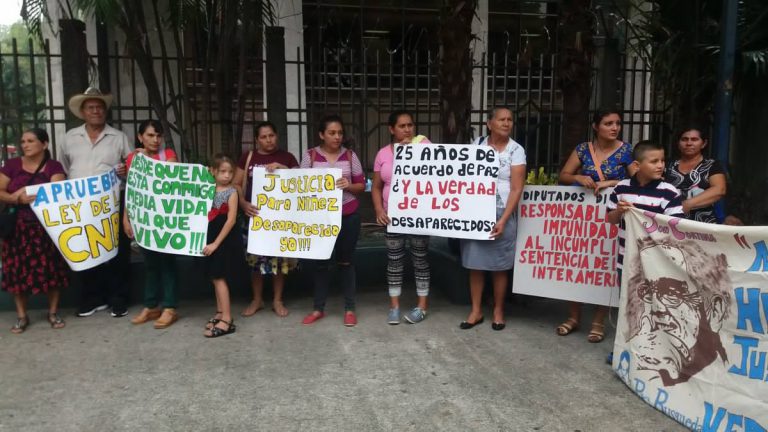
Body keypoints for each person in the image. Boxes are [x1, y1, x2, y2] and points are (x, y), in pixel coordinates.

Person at [556, 108, 635, 343]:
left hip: (613, 216)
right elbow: (564, 175)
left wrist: (611, 182)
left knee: (605, 266)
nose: (614, 128)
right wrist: (578, 177)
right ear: (596, 126)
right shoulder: (583, 149)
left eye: (617, 123)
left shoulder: (627, 151)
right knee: (579, 263)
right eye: (608, 123)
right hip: (584, 219)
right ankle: (573, 316)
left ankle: (599, 320)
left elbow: (637, 180)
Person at [605, 141, 685, 365]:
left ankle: (656, 353)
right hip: (626, 260)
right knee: (629, 306)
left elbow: (676, 228)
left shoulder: (669, 192)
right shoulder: (621, 188)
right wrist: (619, 211)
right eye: (654, 161)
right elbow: (610, 219)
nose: (661, 165)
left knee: (657, 308)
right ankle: (624, 349)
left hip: (657, 264)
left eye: (662, 160)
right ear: (637, 165)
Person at [58, 87, 134, 318]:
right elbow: (64, 168)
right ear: (82, 112)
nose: (96, 111)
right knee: (86, 250)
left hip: (112, 202)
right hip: (80, 203)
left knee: (117, 252)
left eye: (100, 107)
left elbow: (132, 167)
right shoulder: (69, 138)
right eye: (91, 107)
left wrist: (125, 171)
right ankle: (92, 298)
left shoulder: (118, 137)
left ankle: (118, 299)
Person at [623, 239, 731, 386]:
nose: (657, 308)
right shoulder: (643, 356)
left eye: (671, 293)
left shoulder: (723, 381)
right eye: (648, 292)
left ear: (715, 311)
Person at [459, 107, 526, 331]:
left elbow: (516, 188)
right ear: (489, 124)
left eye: (510, 120)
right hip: (476, 212)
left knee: (500, 265)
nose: (506, 123)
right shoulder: (476, 146)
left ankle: (498, 311)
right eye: (501, 119)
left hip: (502, 212)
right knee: (475, 264)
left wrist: (503, 219)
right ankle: (476, 310)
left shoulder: (516, 150)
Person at [0, 128, 69, 333]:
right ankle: (22, 316)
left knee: (52, 270)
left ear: (44, 144)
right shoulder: (12, 165)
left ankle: (53, 312)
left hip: (47, 228)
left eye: (30, 141)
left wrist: (30, 192)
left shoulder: (54, 166)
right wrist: (16, 198)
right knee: (17, 272)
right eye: (23, 141)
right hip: (17, 229)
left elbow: (57, 191)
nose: (25, 145)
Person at [300, 115, 365, 327]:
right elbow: (299, 185)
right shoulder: (309, 156)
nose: (337, 137)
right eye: (332, 133)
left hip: (348, 215)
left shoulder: (350, 156)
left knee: (346, 262)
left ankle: (350, 309)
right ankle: (318, 308)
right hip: (320, 217)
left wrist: (348, 185)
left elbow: (361, 185)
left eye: (340, 133)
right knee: (321, 263)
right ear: (321, 135)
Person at [372, 110, 432, 325]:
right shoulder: (382, 154)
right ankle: (394, 306)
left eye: (410, 125)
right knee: (394, 261)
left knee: (420, 259)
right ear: (392, 129)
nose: (407, 129)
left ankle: (422, 306)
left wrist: (412, 153)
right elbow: (376, 187)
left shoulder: (424, 146)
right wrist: (379, 210)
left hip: (418, 216)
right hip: (392, 218)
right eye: (402, 126)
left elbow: (436, 175)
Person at [234, 121, 299, 318]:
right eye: (263, 137)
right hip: (255, 218)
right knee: (255, 260)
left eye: (271, 135)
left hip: (280, 219)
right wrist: (243, 203)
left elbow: (301, 181)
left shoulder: (287, 157)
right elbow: (236, 184)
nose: (268, 140)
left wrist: (283, 168)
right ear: (257, 139)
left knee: (279, 260)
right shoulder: (248, 157)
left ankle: (277, 300)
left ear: (276, 136)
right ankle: (257, 299)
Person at [123, 120, 180, 329]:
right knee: (150, 264)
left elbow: (169, 177)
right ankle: (151, 305)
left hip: (166, 218)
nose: (155, 140)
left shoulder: (169, 155)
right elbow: (133, 189)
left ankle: (170, 307)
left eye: (158, 135)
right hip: (144, 218)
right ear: (140, 137)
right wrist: (126, 218)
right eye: (150, 135)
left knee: (167, 263)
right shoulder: (132, 158)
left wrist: (146, 159)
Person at [203, 154, 243, 338]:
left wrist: (216, 243)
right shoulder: (207, 188)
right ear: (213, 171)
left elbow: (231, 220)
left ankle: (227, 319)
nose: (227, 175)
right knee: (214, 276)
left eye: (230, 172)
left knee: (219, 277)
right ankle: (220, 312)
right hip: (211, 236)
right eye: (222, 171)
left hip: (224, 240)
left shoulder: (232, 192)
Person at [664, 126, 726, 223]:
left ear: (703, 143)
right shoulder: (667, 165)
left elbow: (719, 190)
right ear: (678, 143)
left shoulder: (712, 165)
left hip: (703, 224)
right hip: (671, 223)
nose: (689, 143)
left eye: (694, 139)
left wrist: (687, 204)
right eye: (684, 139)